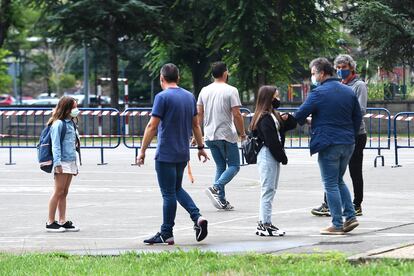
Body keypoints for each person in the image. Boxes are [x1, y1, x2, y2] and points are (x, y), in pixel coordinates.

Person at [137, 63, 209, 245]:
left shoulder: (162, 97)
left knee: (168, 193)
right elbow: (196, 125)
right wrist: (200, 147)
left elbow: (152, 126)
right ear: (178, 78)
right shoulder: (189, 97)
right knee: (176, 188)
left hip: (166, 154)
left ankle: (166, 232)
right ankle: (197, 217)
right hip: (182, 153)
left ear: (162, 79)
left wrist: (142, 150)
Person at [294, 57, 362, 235]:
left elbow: (300, 114)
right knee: (339, 181)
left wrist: (302, 120)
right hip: (348, 142)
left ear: (322, 73)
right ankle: (351, 216)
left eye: (314, 74)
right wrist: (350, 134)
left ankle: (337, 224)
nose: (313, 77)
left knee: (330, 184)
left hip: (328, 142)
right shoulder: (348, 91)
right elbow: (357, 118)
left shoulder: (318, 93)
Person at [311, 54, 368, 217]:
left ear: (351, 68)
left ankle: (357, 204)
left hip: (356, 133)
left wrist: (341, 117)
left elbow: (361, 110)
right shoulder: (337, 85)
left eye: (344, 67)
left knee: (354, 170)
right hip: (338, 133)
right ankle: (328, 203)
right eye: (338, 68)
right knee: (332, 172)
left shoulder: (359, 86)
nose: (341, 70)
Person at [197, 61, 246, 210]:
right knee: (234, 166)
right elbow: (237, 114)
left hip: (210, 135)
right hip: (226, 134)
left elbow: (199, 113)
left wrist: (197, 133)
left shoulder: (204, 90)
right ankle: (216, 187)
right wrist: (242, 133)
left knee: (220, 165)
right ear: (225, 73)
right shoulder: (231, 90)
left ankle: (222, 200)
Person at [249, 86, 296, 236]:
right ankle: (265, 224)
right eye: (276, 96)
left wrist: (287, 118)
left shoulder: (272, 115)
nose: (278, 99)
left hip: (272, 155)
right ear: (269, 98)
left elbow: (288, 126)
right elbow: (272, 141)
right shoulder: (264, 118)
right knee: (268, 190)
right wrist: (282, 157)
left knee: (270, 189)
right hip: (267, 155)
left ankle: (264, 222)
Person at [46, 96, 81, 232]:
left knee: (64, 192)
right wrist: (57, 163)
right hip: (62, 161)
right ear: (66, 108)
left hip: (71, 160)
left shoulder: (71, 123)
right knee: (58, 191)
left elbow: (73, 145)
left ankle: (62, 220)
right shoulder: (58, 124)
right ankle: (50, 221)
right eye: (74, 107)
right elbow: (55, 146)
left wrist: (76, 164)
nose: (76, 110)